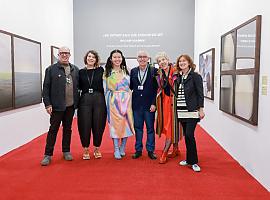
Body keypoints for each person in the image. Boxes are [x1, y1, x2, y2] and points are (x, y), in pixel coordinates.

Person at [41, 46, 79, 166]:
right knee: (53, 130)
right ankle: (48, 154)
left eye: (66, 53)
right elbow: (46, 88)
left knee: (67, 129)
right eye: (62, 53)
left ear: (69, 55)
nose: (64, 55)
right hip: (56, 107)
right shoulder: (51, 69)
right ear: (58, 55)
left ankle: (66, 151)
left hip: (70, 106)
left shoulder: (75, 69)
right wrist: (47, 104)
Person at [103, 49, 135, 159]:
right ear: (111, 59)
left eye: (119, 57)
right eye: (115, 57)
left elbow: (131, 87)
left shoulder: (127, 71)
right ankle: (116, 148)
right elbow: (105, 89)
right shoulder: (106, 72)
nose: (117, 59)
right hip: (113, 102)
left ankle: (123, 147)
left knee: (126, 125)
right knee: (115, 126)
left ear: (122, 58)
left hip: (126, 102)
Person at [175, 54, 205, 172]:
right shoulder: (179, 77)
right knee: (187, 137)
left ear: (189, 62)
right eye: (180, 61)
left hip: (192, 111)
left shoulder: (195, 76)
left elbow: (200, 93)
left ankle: (194, 162)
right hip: (181, 111)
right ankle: (188, 159)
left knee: (189, 135)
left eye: (184, 61)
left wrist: (201, 109)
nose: (182, 63)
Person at [77, 50, 107, 160]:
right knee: (84, 124)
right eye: (89, 56)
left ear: (96, 59)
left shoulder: (101, 70)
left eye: (93, 57)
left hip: (99, 99)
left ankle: (97, 148)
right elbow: (78, 87)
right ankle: (85, 149)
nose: (91, 58)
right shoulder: (80, 72)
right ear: (86, 58)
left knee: (98, 124)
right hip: (85, 100)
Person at [130, 51, 158, 160]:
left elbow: (157, 89)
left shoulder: (154, 71)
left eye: (144, 57)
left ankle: (150, 150)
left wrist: (154, 103)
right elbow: (131, 87)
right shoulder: (133, 71)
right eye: (140, 57)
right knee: (138, 128)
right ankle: (138, 150)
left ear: (148, 58)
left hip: (149, 105)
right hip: (137, 105)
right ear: (137, 59)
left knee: (150, 129)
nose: (142, 59)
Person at [155, 52, 181, 164]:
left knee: (171, 126)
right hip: (164, 103)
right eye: (159, 61)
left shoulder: (176, 71)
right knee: (169, 125)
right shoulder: (159, 73)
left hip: (174, 103)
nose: (162, 62)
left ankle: (164, 153)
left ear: (168, 59)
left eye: (163, 59)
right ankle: (176, 149)